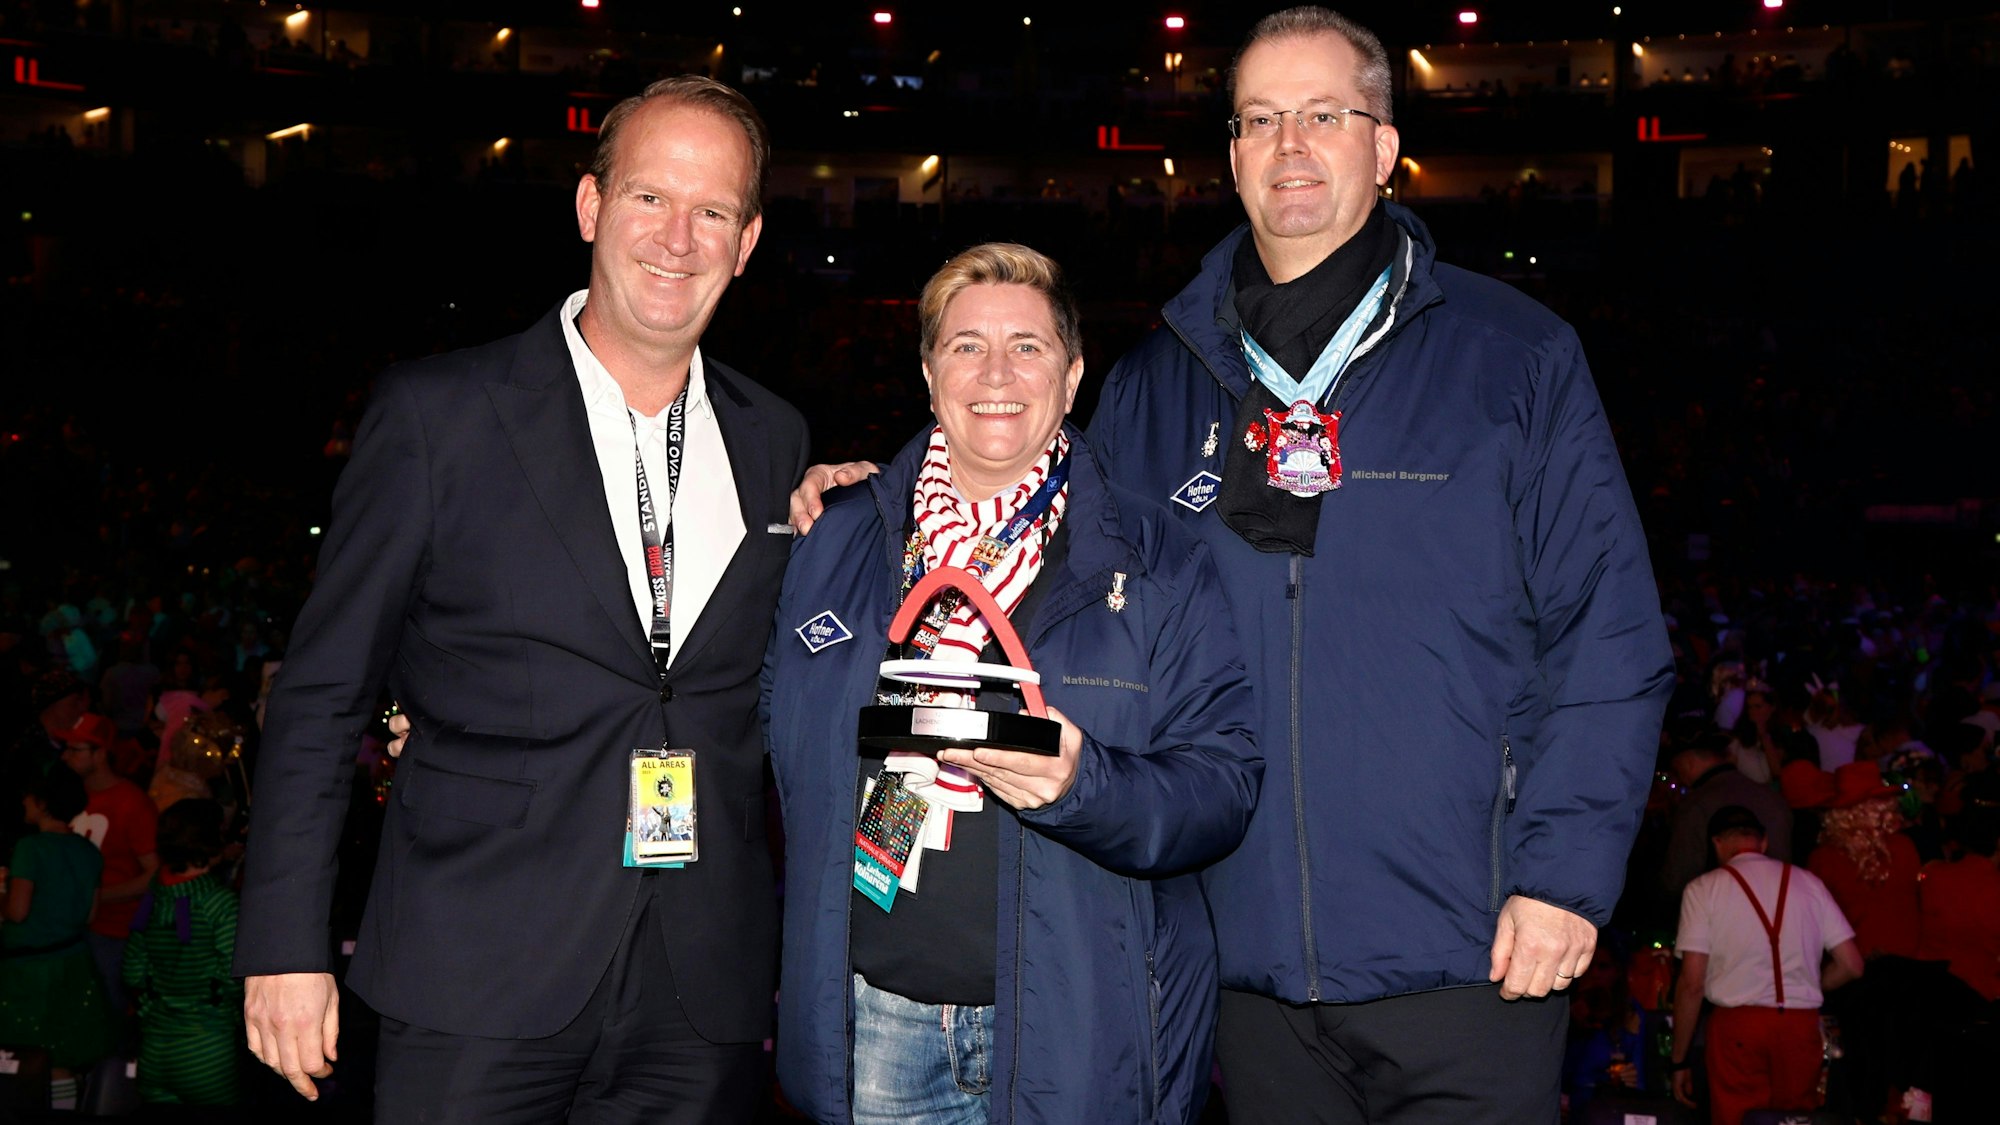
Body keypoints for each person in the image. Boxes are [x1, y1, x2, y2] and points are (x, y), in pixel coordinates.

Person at [790, 9, 1674, 1120]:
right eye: (1260, 119)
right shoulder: (1156, 385)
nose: (1289, 145)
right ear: (1231, 154)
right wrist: (868, 498)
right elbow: (1022, 517)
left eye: (1322, 115)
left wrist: (1562, 880)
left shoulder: (1514, 357)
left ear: (1384, 147)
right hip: (1233, 966)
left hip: (1471, 947)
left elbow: (1609, 640)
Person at [232, 74, 810, 1123]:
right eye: (649, 197)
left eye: (713, 212)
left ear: (747, 241)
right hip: (475, 973)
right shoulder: (437, 415)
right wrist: (282, 945)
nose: (677, 239)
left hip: (698, 993)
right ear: (591, 206)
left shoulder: (777, 438)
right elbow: (321, 696)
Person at [763, 243, 1261, 1122]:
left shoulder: (1161, 561)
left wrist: (1084, 784)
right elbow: (775, 738)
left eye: (1027, 346)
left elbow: (1222, 785)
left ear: (1072, 377)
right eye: (966, 345)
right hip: (878, 1026)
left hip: (1079, 1034)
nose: (996, 372)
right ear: (929, 375)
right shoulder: (837, 540)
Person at [1669, 805, 1863, 1125]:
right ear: (1763, 842)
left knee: (1736, 1118)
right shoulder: (1809, 883)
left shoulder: (1703, 889)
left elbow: (1692, 983)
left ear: (1717, 843)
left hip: (1737, 1029)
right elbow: (1852, 964)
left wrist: (1679, 1060)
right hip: (1800, 1026)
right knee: (1795, 1120)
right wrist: (1812, 982)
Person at [0, 764, 119, 1107]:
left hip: (30, 970)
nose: (24, 801)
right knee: (61, 1057)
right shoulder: (87, 850)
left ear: (42, 802)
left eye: (29, 796)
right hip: (73, 964)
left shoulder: (31, 847)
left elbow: (17, 911)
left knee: (21, 1053)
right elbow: (90, 914)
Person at [123, 797, 246, 1115]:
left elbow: (132, 971)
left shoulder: (153, 897)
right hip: (208, 1051)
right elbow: (234, 977)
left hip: (154, 1051)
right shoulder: (220, 904)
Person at [56, 708, 159, 1036]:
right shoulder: (68, 797)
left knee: (107, 1020)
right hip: (70, 928)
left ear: (100, 753)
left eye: (75, 749)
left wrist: (99, 897)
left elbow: (155, 874)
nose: (66, 756)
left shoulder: (132, 803)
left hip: (114, 932)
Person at [1660, 731, 1792, 911]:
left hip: (1719, 916)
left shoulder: (1695, 806)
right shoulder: (1772, 797)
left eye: (1677, 771)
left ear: (1687, 763)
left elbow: (1676, 881)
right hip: (1779, 910)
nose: (1678, 779)